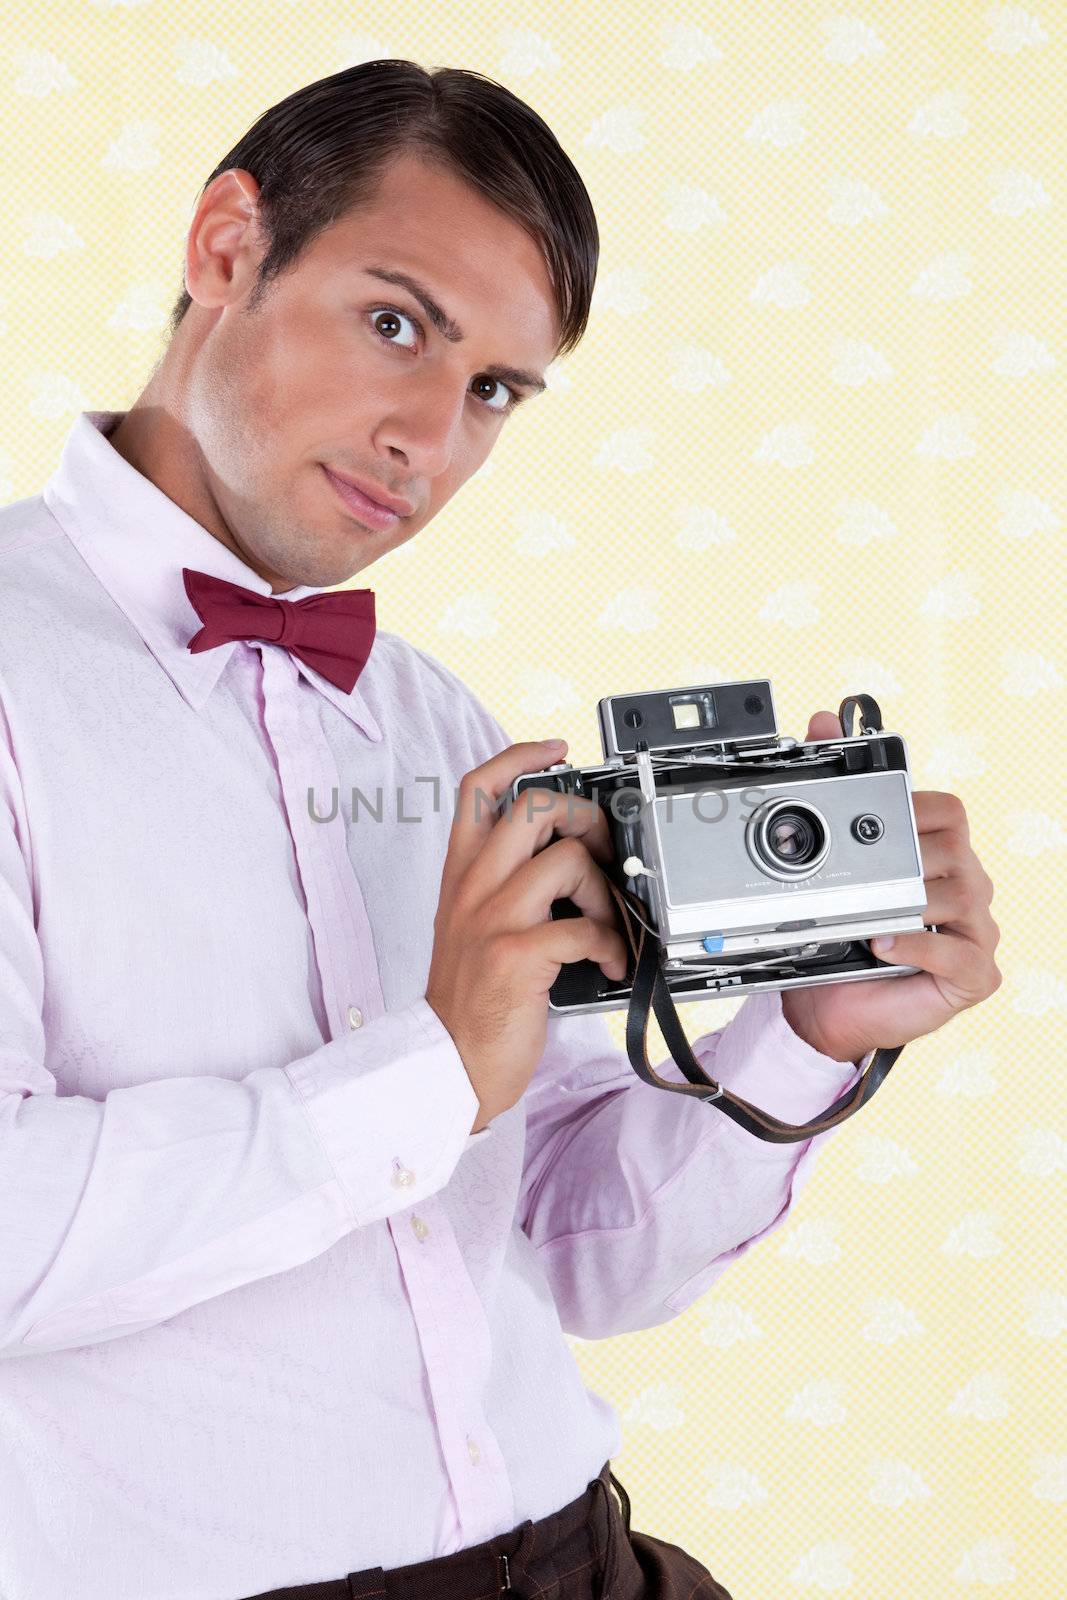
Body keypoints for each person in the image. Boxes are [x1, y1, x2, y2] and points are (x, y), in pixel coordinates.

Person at [0, 59, 1001, 1600]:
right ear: (223, 247)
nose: (430, 440)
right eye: (396, 324)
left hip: (582, 1557)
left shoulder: (434, 722)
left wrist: (802, 1032)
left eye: (492, 392)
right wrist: (428, 1077)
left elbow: (578, 1253)